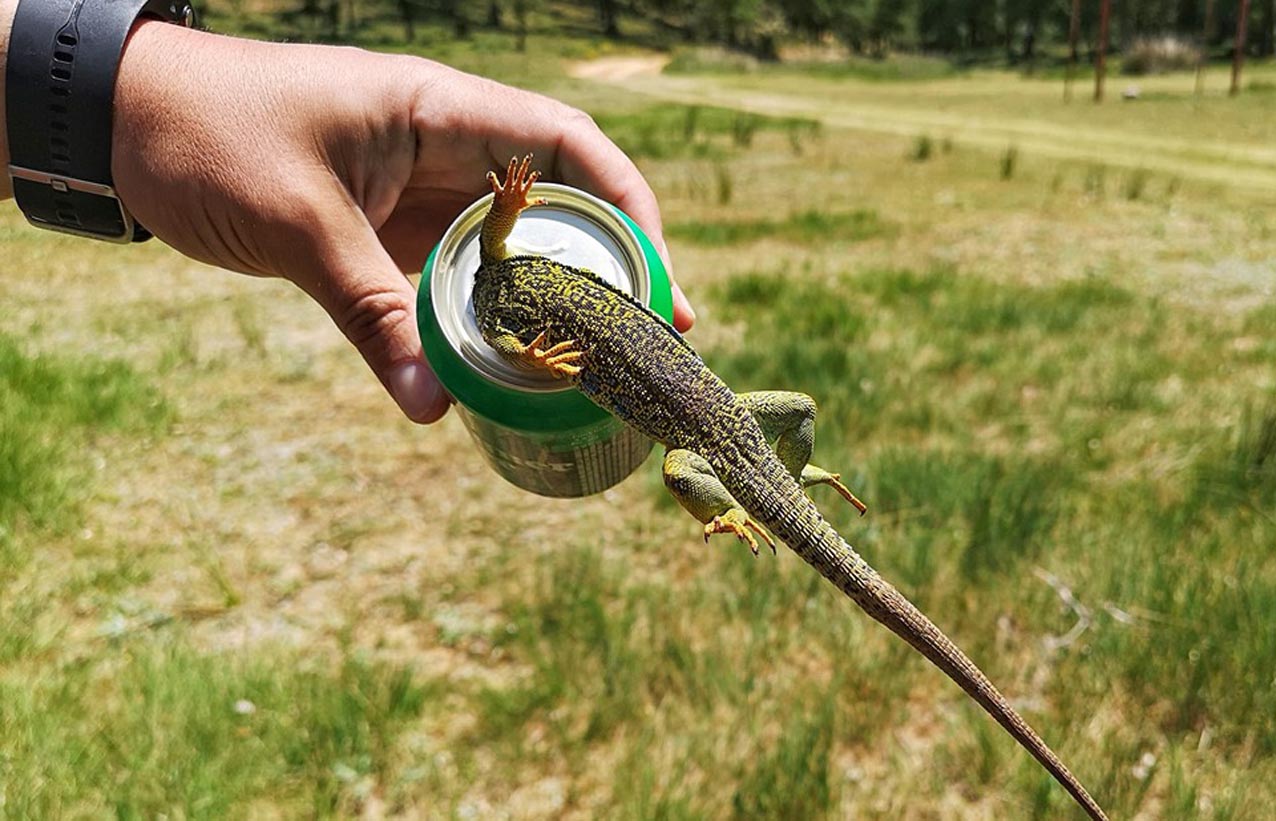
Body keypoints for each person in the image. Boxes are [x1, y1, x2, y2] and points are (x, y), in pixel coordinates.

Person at [0, 3, 695, 424]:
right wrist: (124, 89)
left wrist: (123, 88)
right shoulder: (495, 292)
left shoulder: (498, 268)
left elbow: (493, 247)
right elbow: (496, 282)